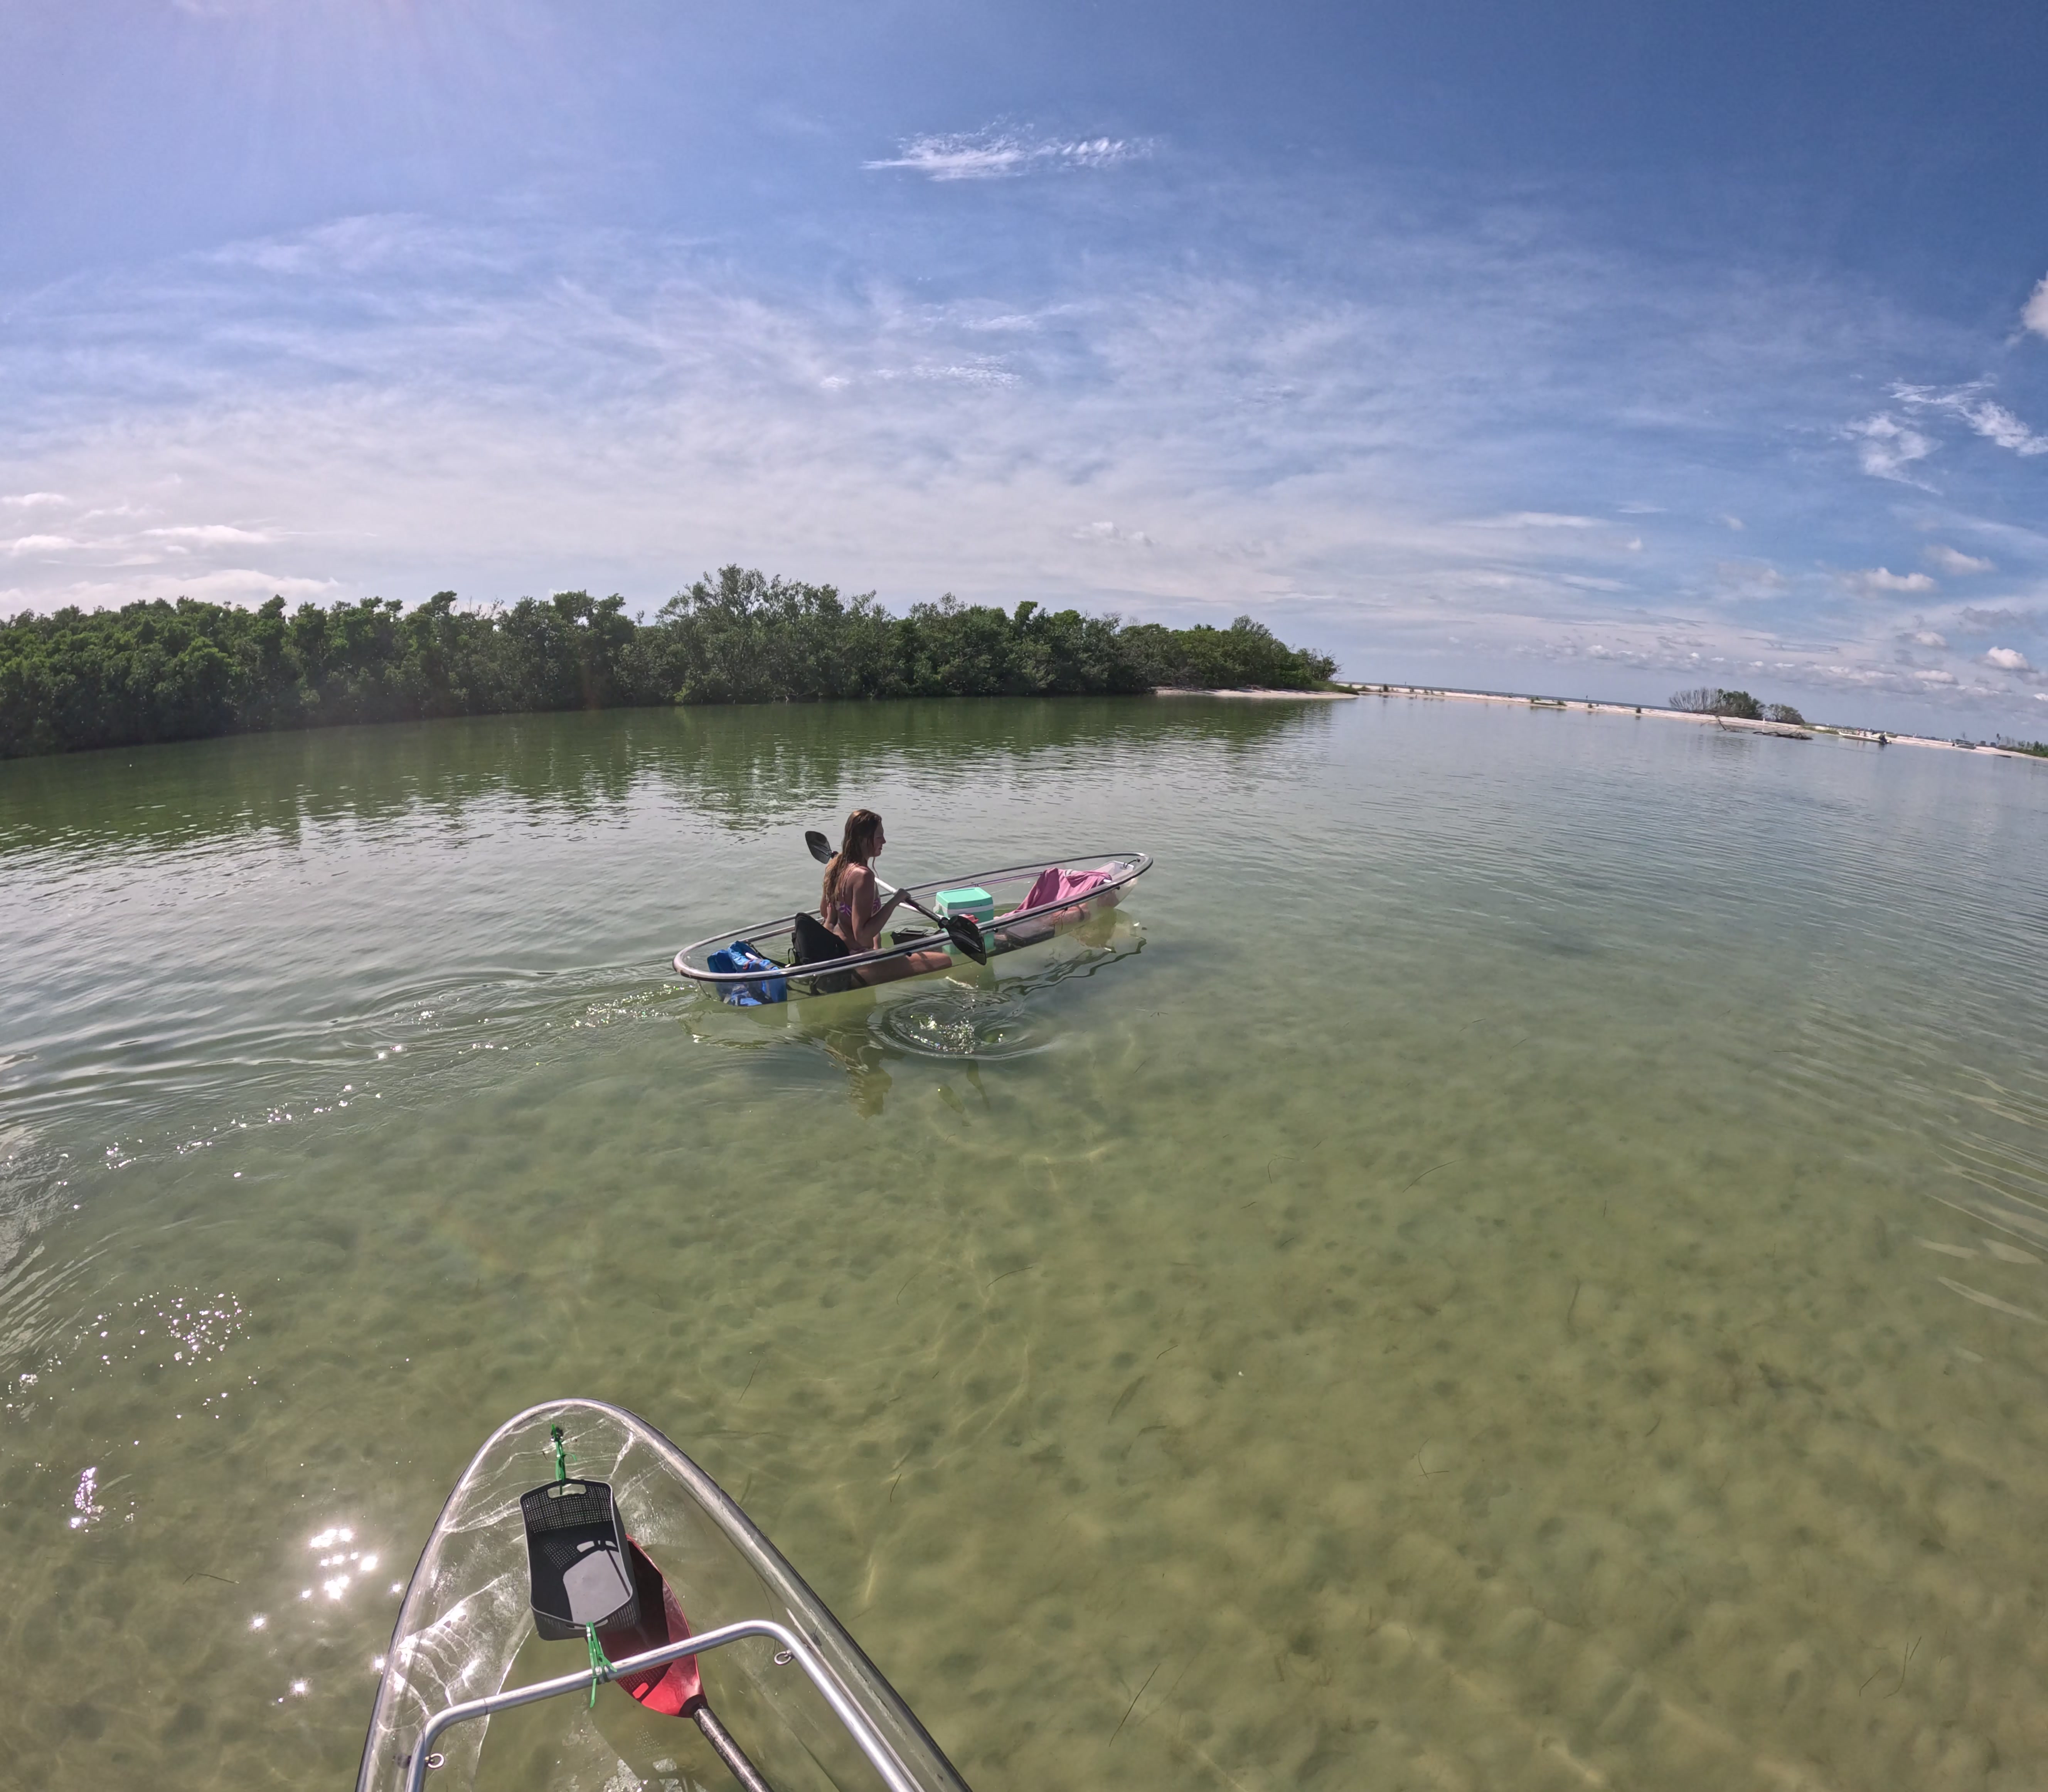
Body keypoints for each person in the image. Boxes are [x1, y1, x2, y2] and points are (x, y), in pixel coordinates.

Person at [817, 810, 951, 984]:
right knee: (944, 960)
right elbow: (862, 937)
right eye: (879, 837)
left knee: (881, 942)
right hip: (854, 964)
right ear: (864, 839)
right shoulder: (863, 876)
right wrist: (895, 901)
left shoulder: (836, 865)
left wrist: (876, 945)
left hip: (835, 953)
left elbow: (826, 914)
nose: (884, 841)